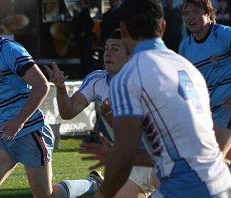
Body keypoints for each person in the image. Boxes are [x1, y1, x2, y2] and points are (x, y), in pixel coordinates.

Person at [0, 2, 103, 197]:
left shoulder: (9, 50)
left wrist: (19, 121)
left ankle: (92, 184)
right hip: (5, 134)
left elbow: (42, 86)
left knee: (45, 196)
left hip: (30, 131)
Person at [94, 0, 231, 197]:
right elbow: (176, 153)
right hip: (218, 182)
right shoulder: (187, 68)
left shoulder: (128, 76)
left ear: (122, 30)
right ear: (163, 26)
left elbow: (125, 154)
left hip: (188, 186)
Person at [45, 29, 158, 198]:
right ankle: (97, 182)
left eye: (115, 48)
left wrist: (108, 114)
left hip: (155, 160)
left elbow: (139, 136)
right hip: (128, 164)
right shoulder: (97, 79)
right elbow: (68, 112)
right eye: (106, 48)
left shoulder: (144, 83)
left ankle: (97, 182)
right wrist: (61, 89)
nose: (107, 53)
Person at [179, 0, 231, 163]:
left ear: (208, 14)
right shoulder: (185, 47)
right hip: (210, 113)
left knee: (214, 160)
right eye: (186, 14)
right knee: (224, 163)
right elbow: (186, 86)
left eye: (195, 12)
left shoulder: (223, 35)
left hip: (227, 109)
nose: (190, 18)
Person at [74, 0, 94, 77]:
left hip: (85, 40)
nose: (80, 5)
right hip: (84, 40)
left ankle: (86, 72)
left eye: (82, 3)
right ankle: (85, 71)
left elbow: (88, 25)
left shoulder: (85, 12)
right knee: (84, 56)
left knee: (85, 56)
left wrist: (84, 32)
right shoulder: (83, 12)